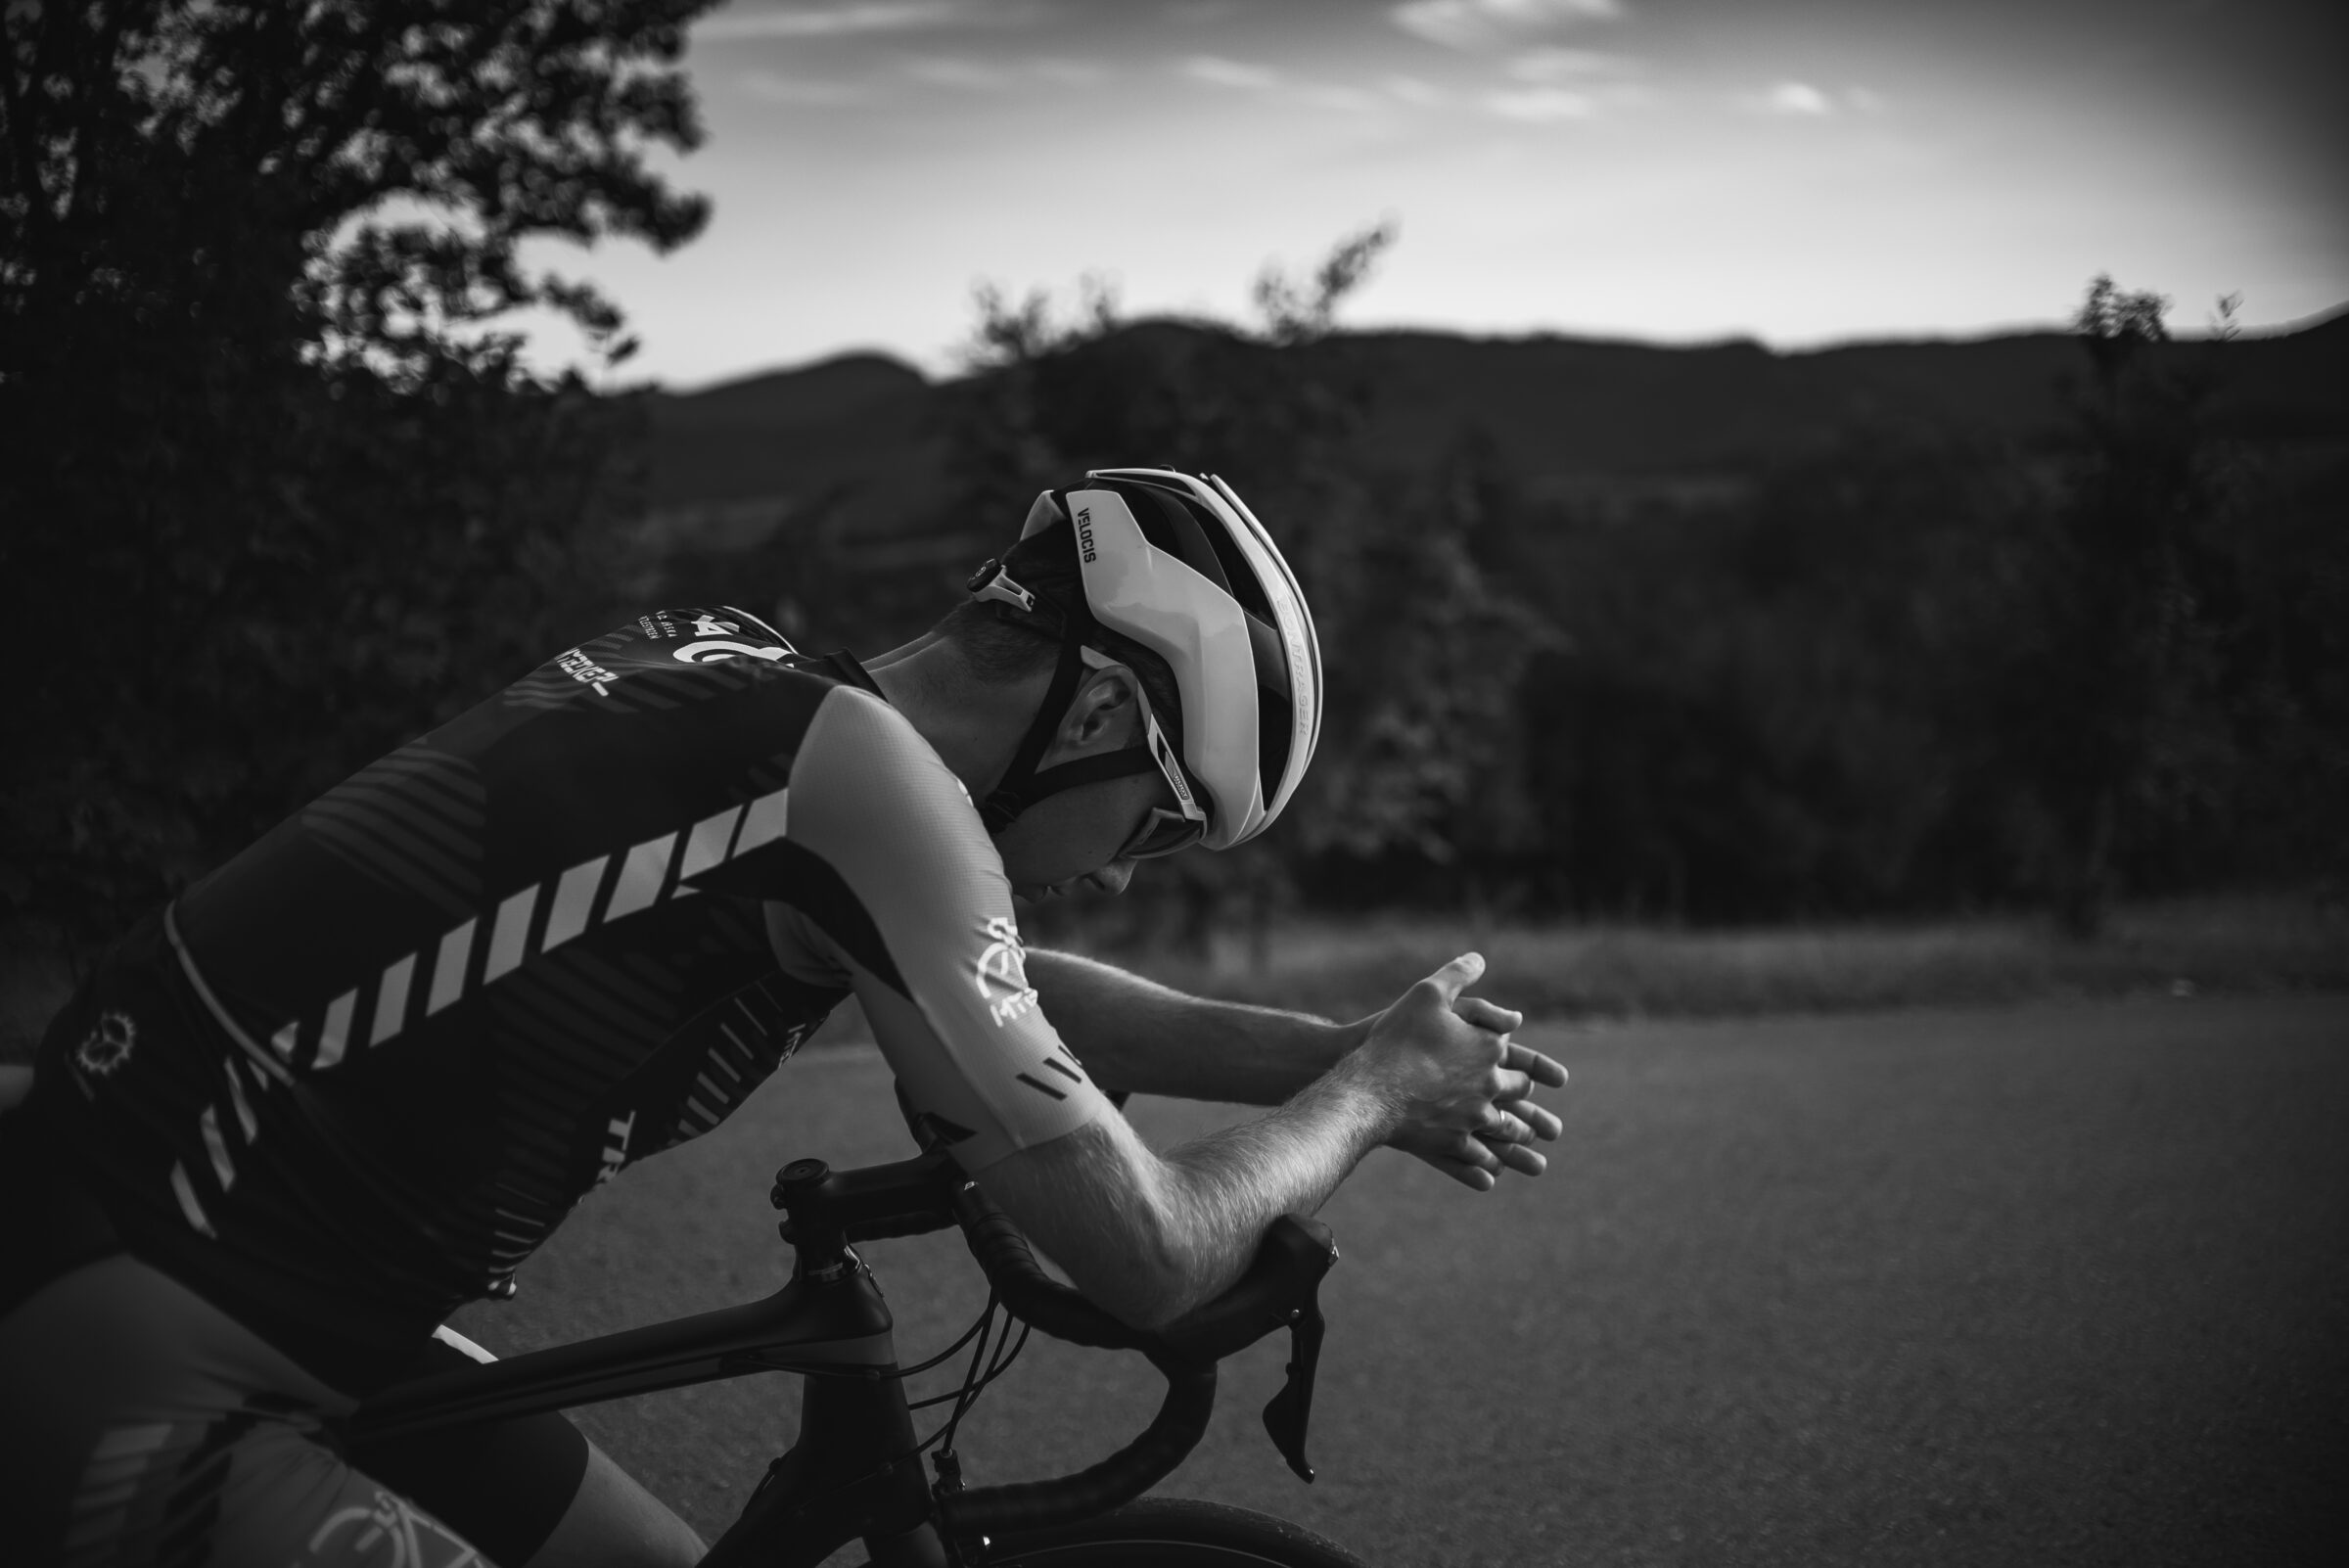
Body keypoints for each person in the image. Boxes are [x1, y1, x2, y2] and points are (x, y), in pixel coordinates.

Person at [0, 468, 1566, 1566]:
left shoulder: (755, 674)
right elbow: (1149, 1251)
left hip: (225, 1256)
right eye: (1157, 822)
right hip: (154, 1332)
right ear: (1098, 708)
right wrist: (1366, 1105)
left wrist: (1330, 1052)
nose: (1116, 871)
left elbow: (1002, 986)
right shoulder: (878, 802)